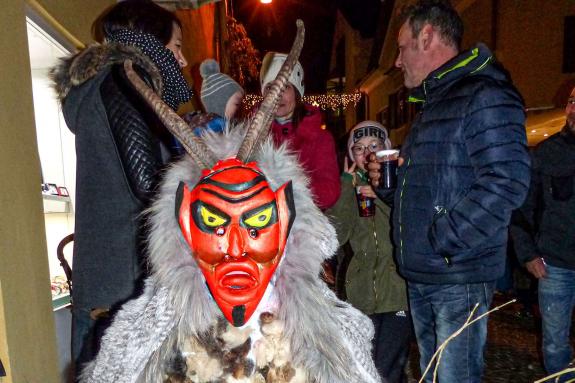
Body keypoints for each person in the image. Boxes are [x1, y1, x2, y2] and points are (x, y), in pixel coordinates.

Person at [78, 23, 381, 383]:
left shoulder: (334, 338)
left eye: (256, 224)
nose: (235, 250)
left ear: (284, 216)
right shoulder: (143, 337)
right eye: (214, 222)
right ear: (185, 222)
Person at [367, 1, 530, 381]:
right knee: (433, 373)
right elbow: (432, 188)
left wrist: (444, 237)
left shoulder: (483, 94)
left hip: (457, 274)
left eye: (402, 46)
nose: (396, 61)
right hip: (427, 272)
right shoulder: (434, 103)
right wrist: (389, 186)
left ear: (427, 37)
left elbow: (509, 181)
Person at [50, 0, 192, 374]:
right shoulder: (125, 81)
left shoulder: (108, 84)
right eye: (176, 47)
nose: (183, 61)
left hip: (107, 284)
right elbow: (149, 186)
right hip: (122, 292)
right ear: (149, 43)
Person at [328, 121, 411, 383]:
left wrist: (384, 196)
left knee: (386, 369)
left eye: (374, 146)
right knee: (365, 368)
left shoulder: (406, 181)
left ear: (387, 149)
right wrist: (344, 189)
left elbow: (410, 226)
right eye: (359, 148)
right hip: (360, 296)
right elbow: (336, 236)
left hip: (398, 293)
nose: (367, 154)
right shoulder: (351, 187)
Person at [510, 86, 575, 382]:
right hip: (555, 266)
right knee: (554, 342)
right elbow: (522, 208)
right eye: (573, 101)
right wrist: (528, 254)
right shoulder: (547, 153)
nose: (574, 108)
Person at [260, 52, 340, 210]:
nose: (277, 94)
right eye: (270, 87)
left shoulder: (319, 138)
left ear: (297, 93)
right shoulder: (252, 135)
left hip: (303, 224)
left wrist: (287, 192)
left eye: (285, 87)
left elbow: (330, 191)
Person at [182, 58, 244, 137]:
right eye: (237, 103)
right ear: (220, 105)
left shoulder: (228, 128)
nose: (239, 108)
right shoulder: (215, 135)